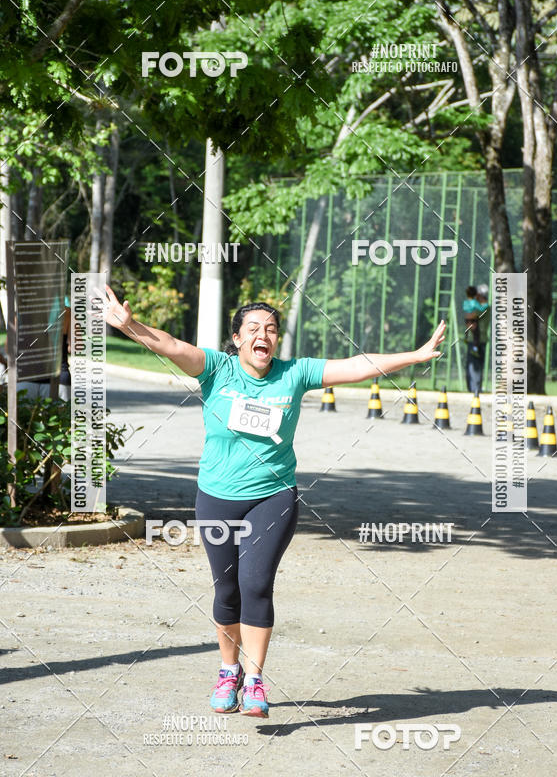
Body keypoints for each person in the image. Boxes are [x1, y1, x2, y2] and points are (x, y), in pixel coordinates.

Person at [102, 284, 446, 718]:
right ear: (238, 339)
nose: (263, 334)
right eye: (253, 328)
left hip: (273, 496)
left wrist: (413, 356)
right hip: (217, 498)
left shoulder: (294, 373)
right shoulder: (216, 369)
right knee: (227, 590)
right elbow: (171, 345)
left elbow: (358, 366)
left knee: (256, 584)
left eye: (271, 328)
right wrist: (130, 325)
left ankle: (256, 681)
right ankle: (229, 672)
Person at [464, 283, 489, 393]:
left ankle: (475, 389)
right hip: (473, 340)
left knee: (475, 366)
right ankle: (473, 388)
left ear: (480, 295)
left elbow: (469, 316)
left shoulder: (485, 307)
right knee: (471, 365)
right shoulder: (479, 306)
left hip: (478, 341)